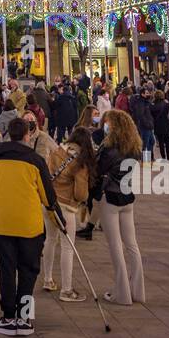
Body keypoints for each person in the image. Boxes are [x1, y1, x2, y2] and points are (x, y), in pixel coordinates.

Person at [0, 114, 58, 336]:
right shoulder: (35, 160)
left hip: (3, 222)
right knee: (28, 270)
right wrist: (55, 210)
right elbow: (48, 195)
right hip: (29, 225)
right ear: (27, 135)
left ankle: (8, 316)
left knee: (7, 270)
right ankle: (25, 318)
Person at [94, 109, 146, 306]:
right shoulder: (135, 147)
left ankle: (121, 293)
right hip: (128, 198)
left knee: (115, 246)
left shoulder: (109, 149)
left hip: (110, 199)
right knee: (132, 245)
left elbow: (98, 170)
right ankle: (137, 291)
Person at [45, 125, 97, 302]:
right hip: (66, 207)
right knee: (68, 247)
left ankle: (48, 279)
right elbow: (81, 194)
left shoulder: (57, 151)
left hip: (49, 203)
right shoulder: (80, 162)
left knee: (50, 240)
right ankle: (66, 290)